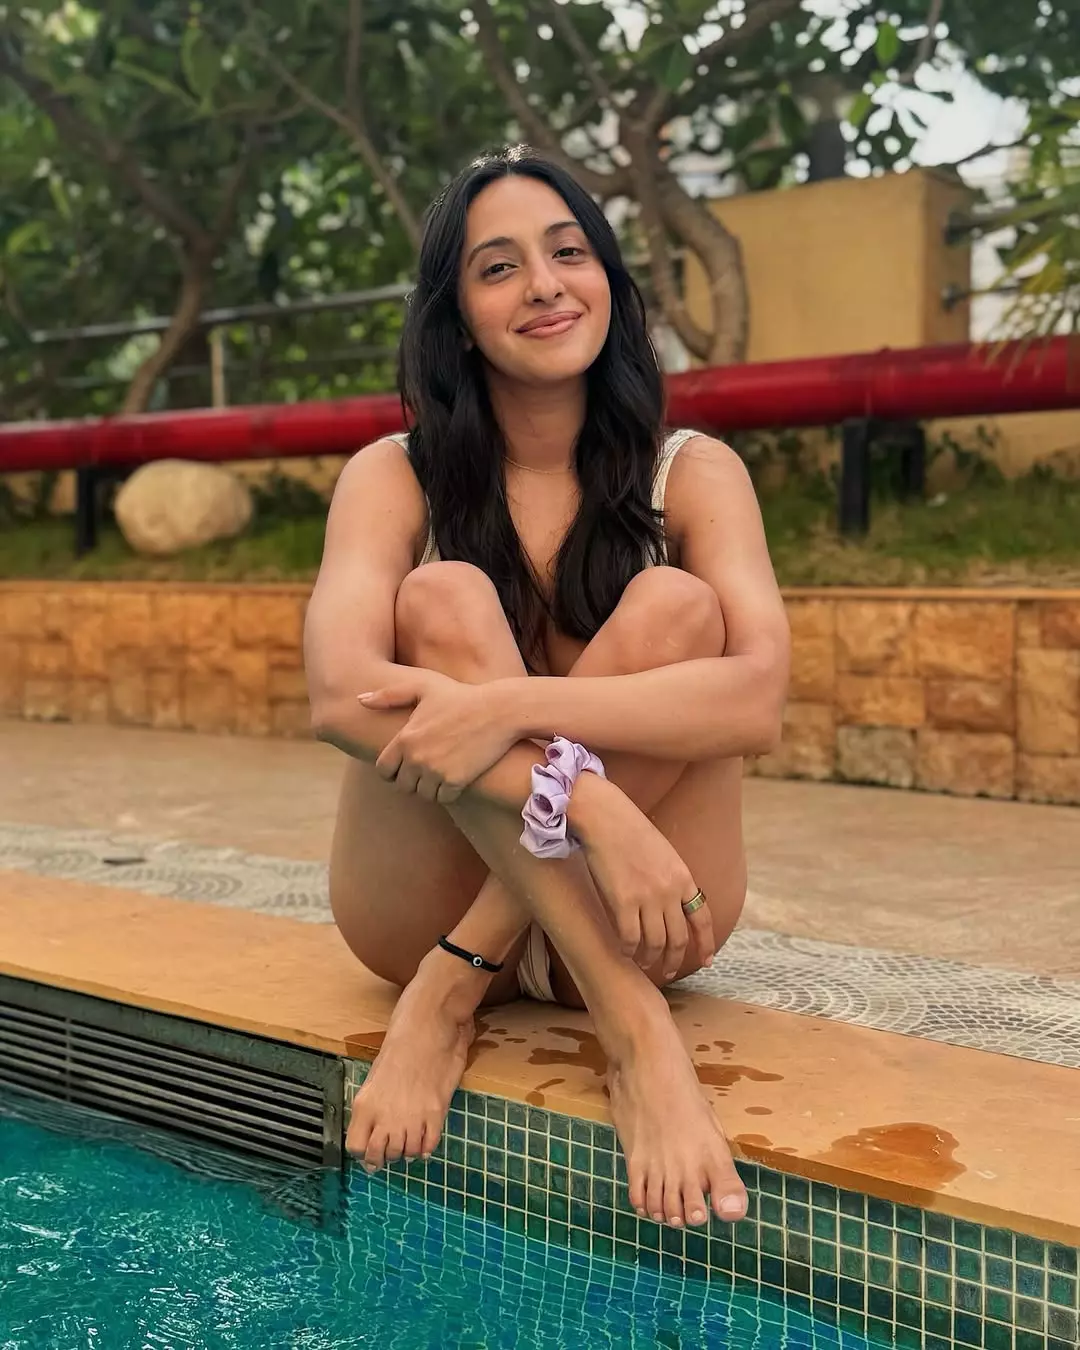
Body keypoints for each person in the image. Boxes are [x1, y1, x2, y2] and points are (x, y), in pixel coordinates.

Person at [304, 145, 790, 1232]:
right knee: (442, 599)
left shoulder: (692, 472)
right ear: (455, 317)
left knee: (677, 612)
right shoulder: (394, 475)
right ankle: (634, 1030)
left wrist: (514, 709)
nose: (544, 285)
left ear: (607, 277)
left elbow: (757, 700)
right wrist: (590, 803)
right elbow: (339, 696)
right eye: (499, 267)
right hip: (419, 907)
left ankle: (459, 983)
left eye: (569, 253)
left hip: (645, 915)